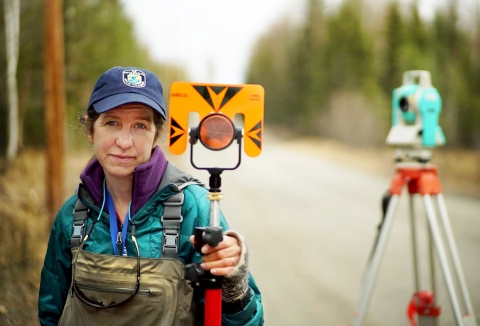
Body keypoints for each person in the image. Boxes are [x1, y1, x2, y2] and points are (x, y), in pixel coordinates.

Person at [38, 66, 264, 325]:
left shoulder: (193, 208)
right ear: (91, 129)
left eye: (140, 125)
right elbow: (50, 315)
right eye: (112, 123)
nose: (124, 141)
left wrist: (233, 285)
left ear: (156, 135)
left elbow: (249, 322)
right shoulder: (71, 217)